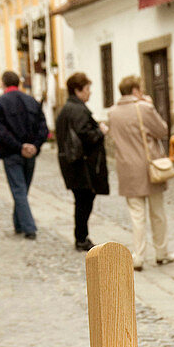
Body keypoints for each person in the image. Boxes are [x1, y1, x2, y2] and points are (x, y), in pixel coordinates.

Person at [107, 75, 174, 271]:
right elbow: (162, 130)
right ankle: (161, 253)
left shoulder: (112, 113)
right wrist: (151, 106)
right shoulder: (144, 108)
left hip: (127, 169)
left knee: (136, 215)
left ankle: (138, 256)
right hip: (149, 167)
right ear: (136, 90)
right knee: (157, 213)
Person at [0, 70, 48, 239]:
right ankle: (19, 223)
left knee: (19, 190)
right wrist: (34, 146)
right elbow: (43, 128)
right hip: (30, 153)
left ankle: (29, 228)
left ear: (3, 83)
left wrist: (20, 146)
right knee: (22, 189)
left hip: (12, 152)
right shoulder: (32, 101)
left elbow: (2, 132)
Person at [55, 72, 109, 251]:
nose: (90, 93)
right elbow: (85, 136)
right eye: (87, 89)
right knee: (84, 200)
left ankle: (81, 236)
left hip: (72, 163)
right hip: (81, 165)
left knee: (82, 200)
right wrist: (101, 131)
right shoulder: (78, 110)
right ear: (78, 90)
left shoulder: (68, 108)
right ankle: (81, 237)